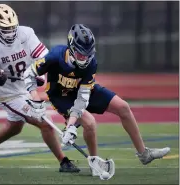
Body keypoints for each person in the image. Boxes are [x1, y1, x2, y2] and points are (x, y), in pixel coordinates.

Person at [23, 24, 171, 176]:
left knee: (123, 107)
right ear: (72, 48)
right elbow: (29, 73)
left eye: (88, 54)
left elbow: (82, 98)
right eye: (81, 54)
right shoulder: (55, 56)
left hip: (82, 91)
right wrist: (34, 98)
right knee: (90, 123)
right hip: (62, 96)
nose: (85, 58)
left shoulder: (91, 63)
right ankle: (95, 162)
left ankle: (143, 154)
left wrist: (71, 125)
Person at [0, 4, 80, 173]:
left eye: (11, 27)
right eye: (4, 28)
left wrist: (39, 73)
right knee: (44, 122)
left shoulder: (26, 33)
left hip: (27, 87)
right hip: (9, 94)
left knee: (15, 126)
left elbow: (44, 57)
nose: (9, 31)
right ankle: (63, 161)